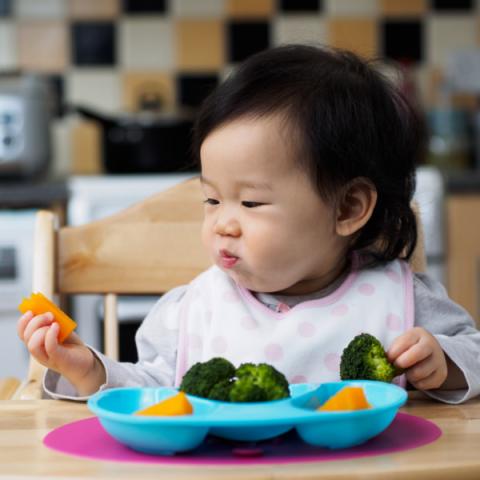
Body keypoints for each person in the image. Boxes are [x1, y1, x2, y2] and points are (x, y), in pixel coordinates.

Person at [18, 45, 480, 404]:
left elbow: (473, 354)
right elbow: (154, 391)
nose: (223, 224)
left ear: (348, 208)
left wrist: (444, 363)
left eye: (252, 202)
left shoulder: (400, 298)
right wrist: (90, 372)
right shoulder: (190, 310)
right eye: (212, 199)